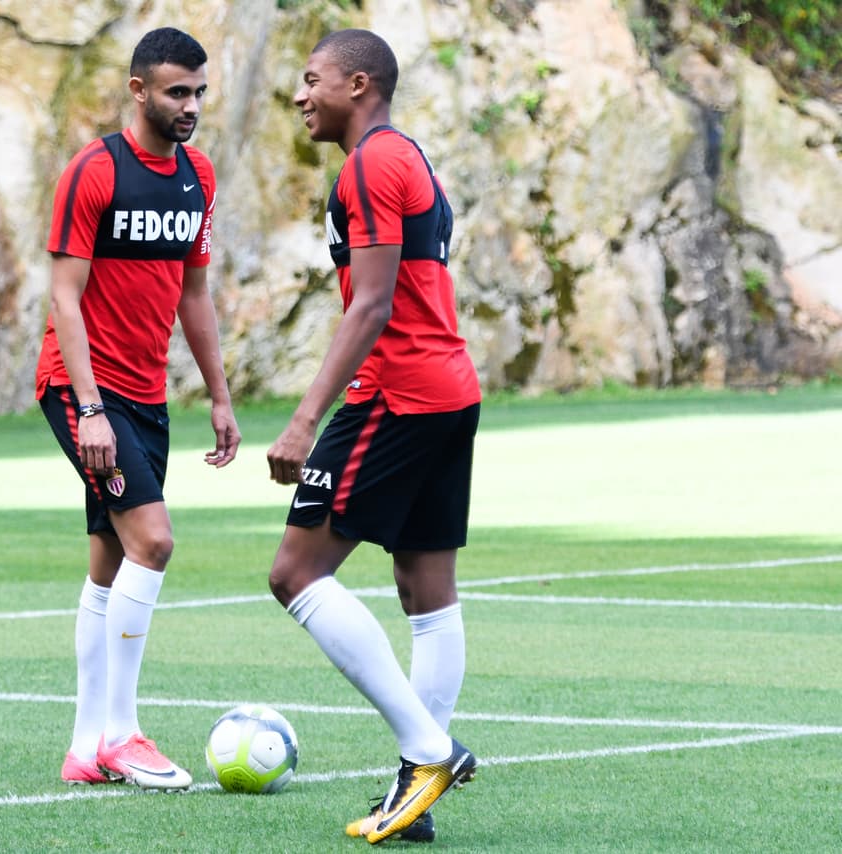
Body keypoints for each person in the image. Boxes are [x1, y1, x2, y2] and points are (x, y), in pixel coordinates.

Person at [266, 29, 479, 845]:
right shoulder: (404, 157)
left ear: (359, 85)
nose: (300, 95)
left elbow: (374, 303)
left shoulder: (372, 164)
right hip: (448, 390)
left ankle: (428, 750)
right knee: (428, 592)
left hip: (397, 393)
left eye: (312, 79)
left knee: (295, 573)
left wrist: (303, 418)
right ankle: (416, 784)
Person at [36, 26, 240, 791]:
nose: (189, 106)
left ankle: (85, 747)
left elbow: (194, 293)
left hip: (148, 395)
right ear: (138, 91)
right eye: (175, 92)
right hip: (83, 389)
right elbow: (64, 293)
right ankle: (122, 732)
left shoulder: (200, 175)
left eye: (198, 92)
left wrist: (218, 396)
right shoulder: (93, 172)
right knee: (153, 542)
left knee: (111, 561)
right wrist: (89, 408)